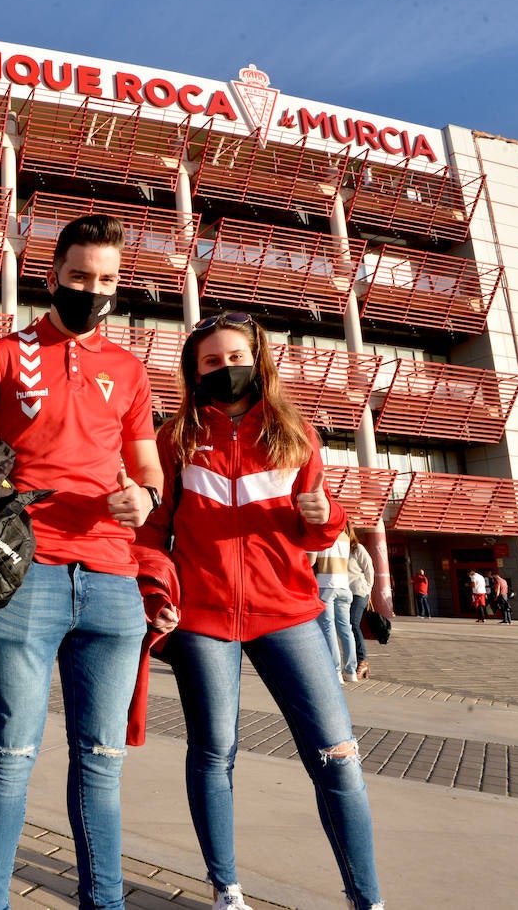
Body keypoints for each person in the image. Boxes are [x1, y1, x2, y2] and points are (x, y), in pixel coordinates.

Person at [0, 214, 173, 910]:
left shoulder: (129, 370)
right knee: (11, 756)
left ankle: (105, 902)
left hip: (112, 582)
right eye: (79, 277)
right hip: (25, 575)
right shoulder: (5, 354)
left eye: (106, 281)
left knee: (101, 763)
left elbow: (150, 467)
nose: (92, 291)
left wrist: (145, 496)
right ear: (53, 277)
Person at [136, 310, 385, 910]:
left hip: (291, 614)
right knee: (215, 752)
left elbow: (315, 533)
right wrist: (156, 593)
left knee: (338, 756)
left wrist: (329, 520)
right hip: (204, 619)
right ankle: (227, 891)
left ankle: (366, 899)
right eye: (212, 362)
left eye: (236, 357)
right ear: (194, 374)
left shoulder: (296, 436)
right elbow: (153, 529)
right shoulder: (176, 439)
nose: (227, 369)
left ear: (259, 359)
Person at [312, 530, 358, 684]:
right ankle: (351, 671)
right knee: (346, 629)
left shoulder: (321, 535)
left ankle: (335, 671)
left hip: (326, 585)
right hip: (344, 586)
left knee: (328, 628)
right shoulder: (346, 537)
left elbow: (311, 561)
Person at [347, 528, 375, 681]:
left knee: (353, 623)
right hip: (345, 593)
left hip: (359, 591)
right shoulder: (339, 548)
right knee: (347, 626)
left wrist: (368, 590)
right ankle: (354, 661)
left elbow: (369, 570)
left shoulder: (357, 548)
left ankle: (362, 660)